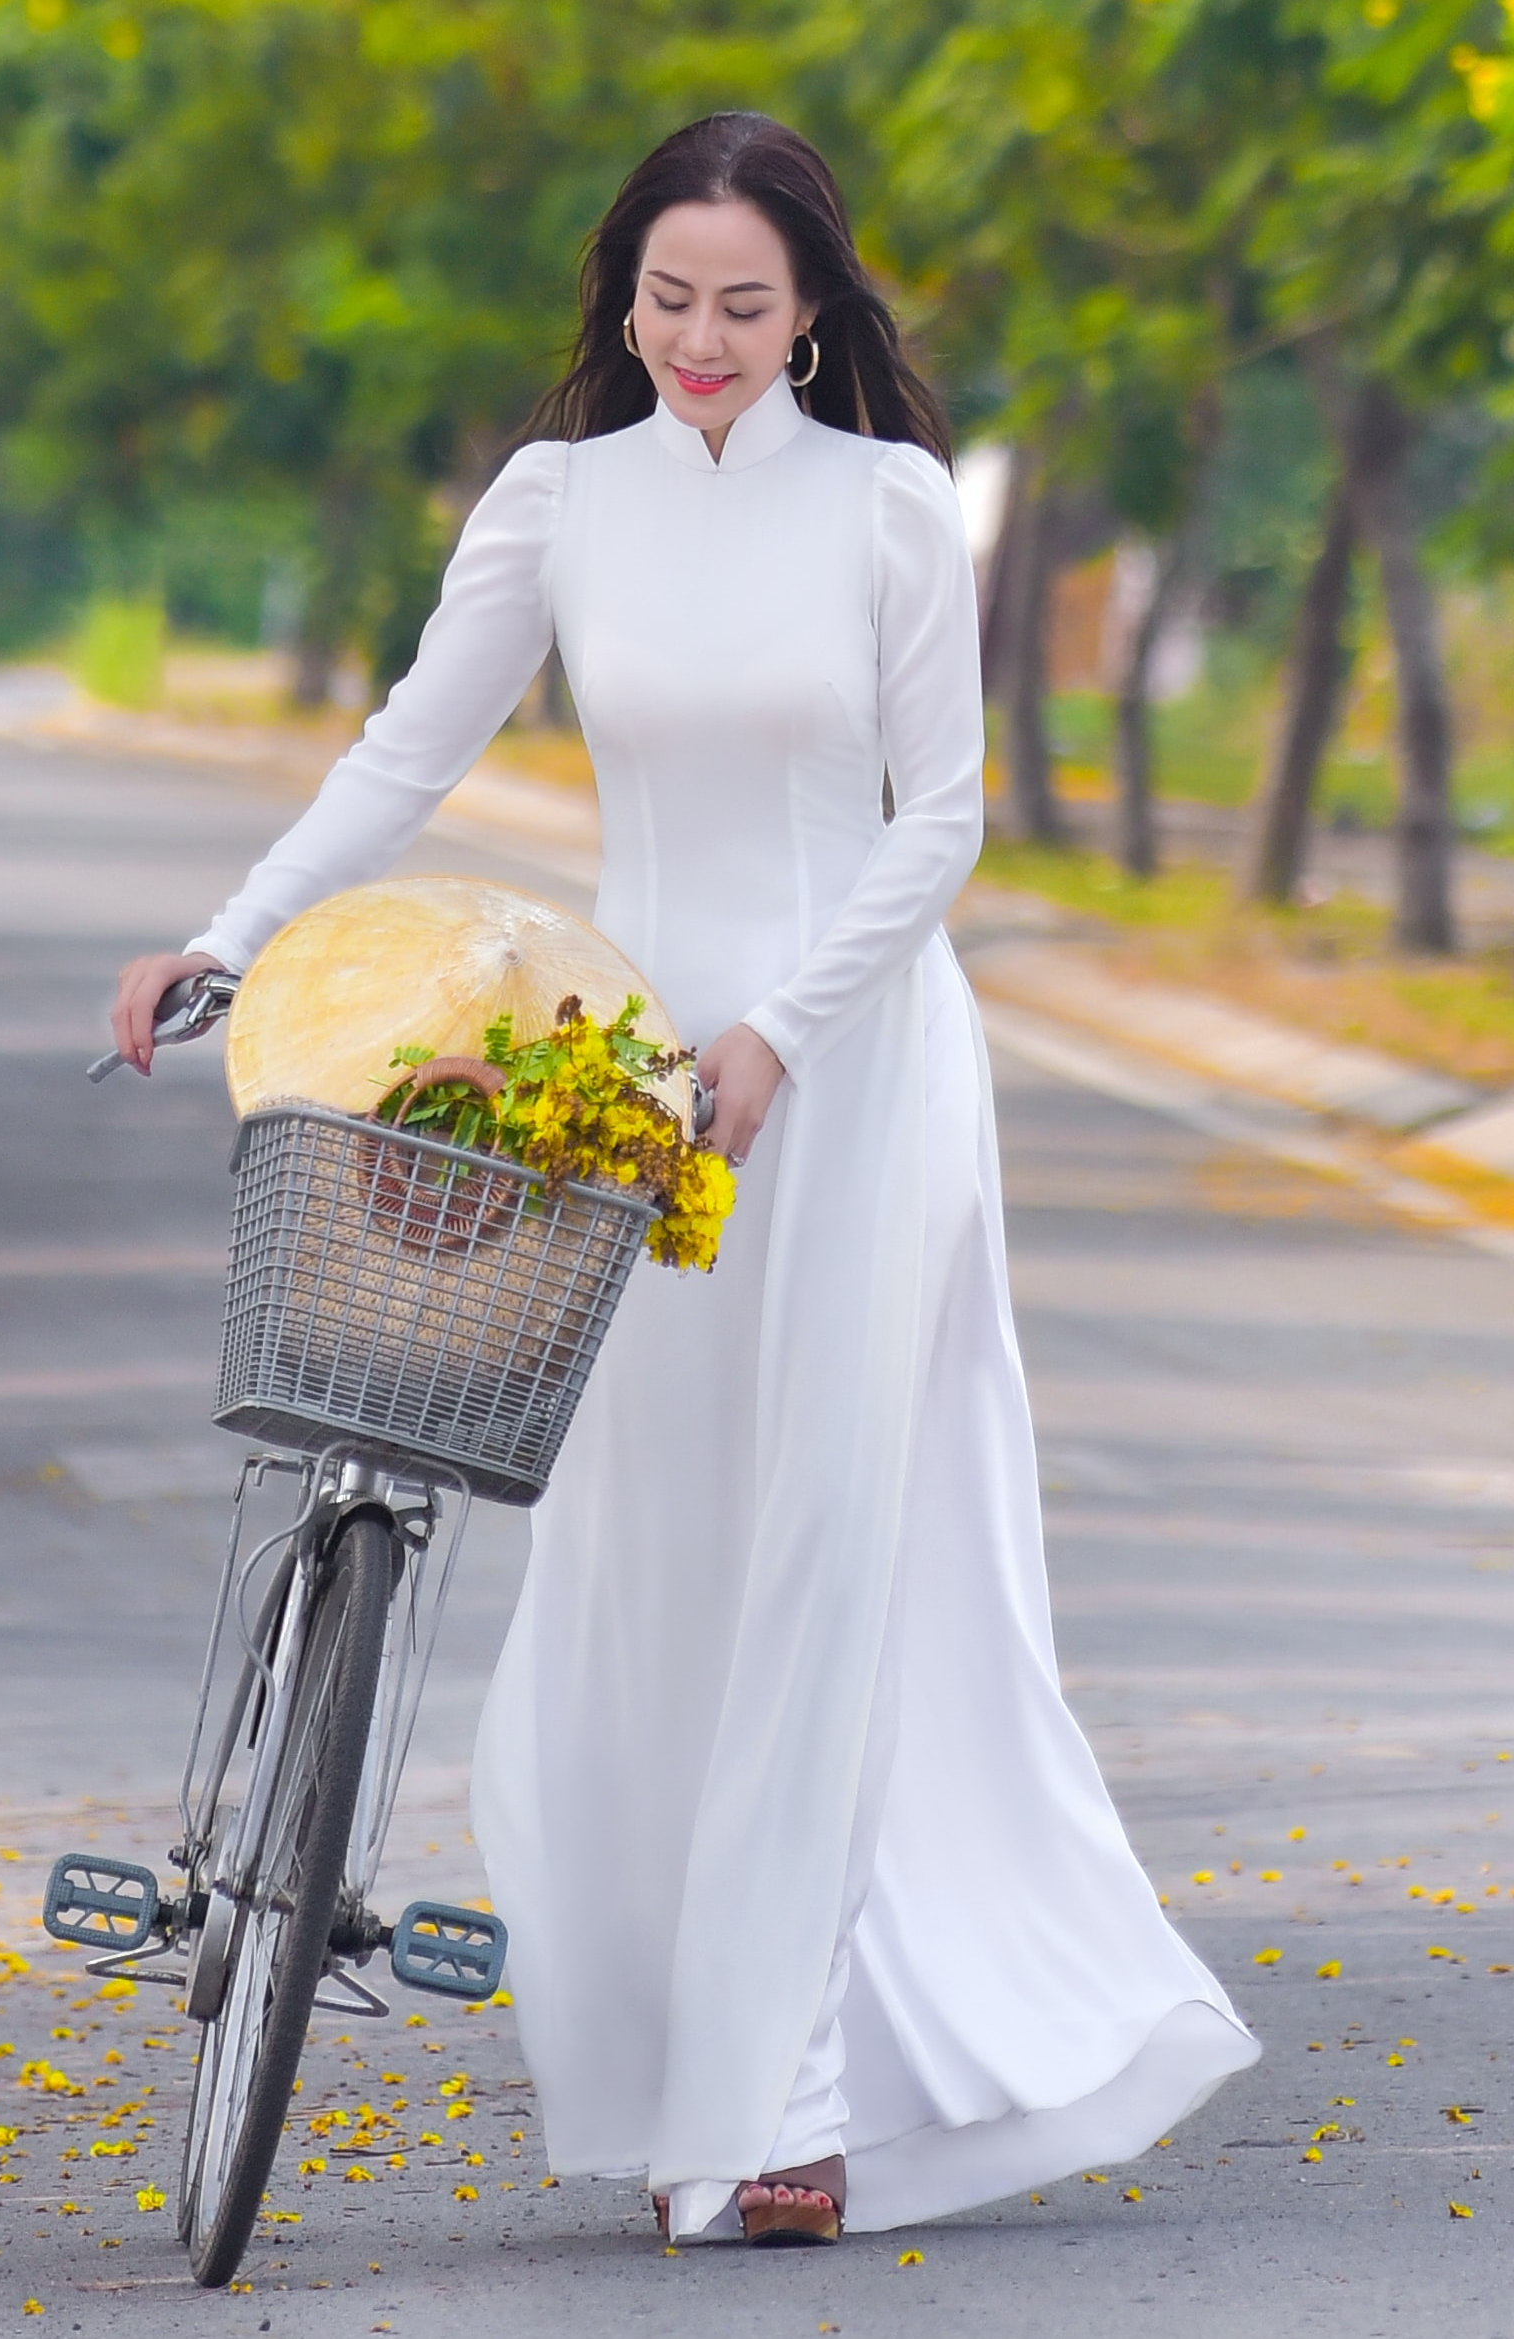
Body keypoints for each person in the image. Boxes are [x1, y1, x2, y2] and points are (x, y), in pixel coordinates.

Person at [106, 112, 1256, 2248]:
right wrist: (235, 936)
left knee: (822, 1551)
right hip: (618, 1072)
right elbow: (404, 749)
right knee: (648, 1567)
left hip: (857, 1063)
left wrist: (782, 1034)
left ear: (813, 311)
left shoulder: (890, 509)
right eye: (665, 298)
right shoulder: (560, 503)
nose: (699, 338)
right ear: (617, 297)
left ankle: (786, 2102)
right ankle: (669, 2072)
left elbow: (945, 824)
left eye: (741, 302)